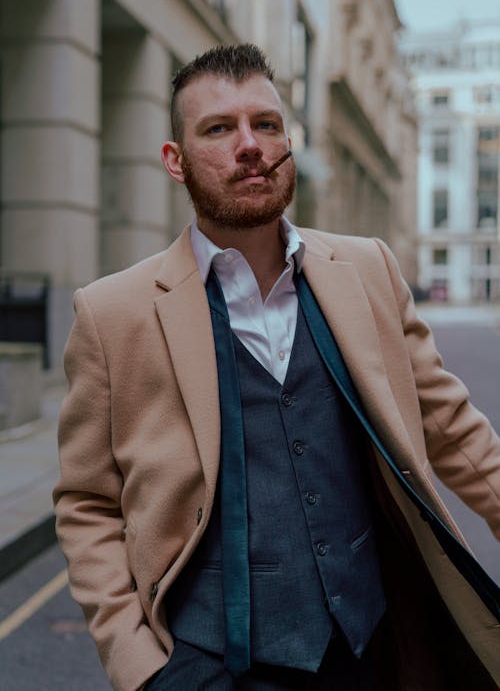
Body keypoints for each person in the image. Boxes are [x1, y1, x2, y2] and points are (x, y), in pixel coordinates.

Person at [53, 44, 500, 691]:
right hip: (208, 666)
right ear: (175, 162)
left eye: (265, 124)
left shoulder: (367, 270)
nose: (249, 145)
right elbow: (86, 503)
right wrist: (138, 664)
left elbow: (453, 428)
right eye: (218, 128)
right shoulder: (112, 313)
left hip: (373, 649)